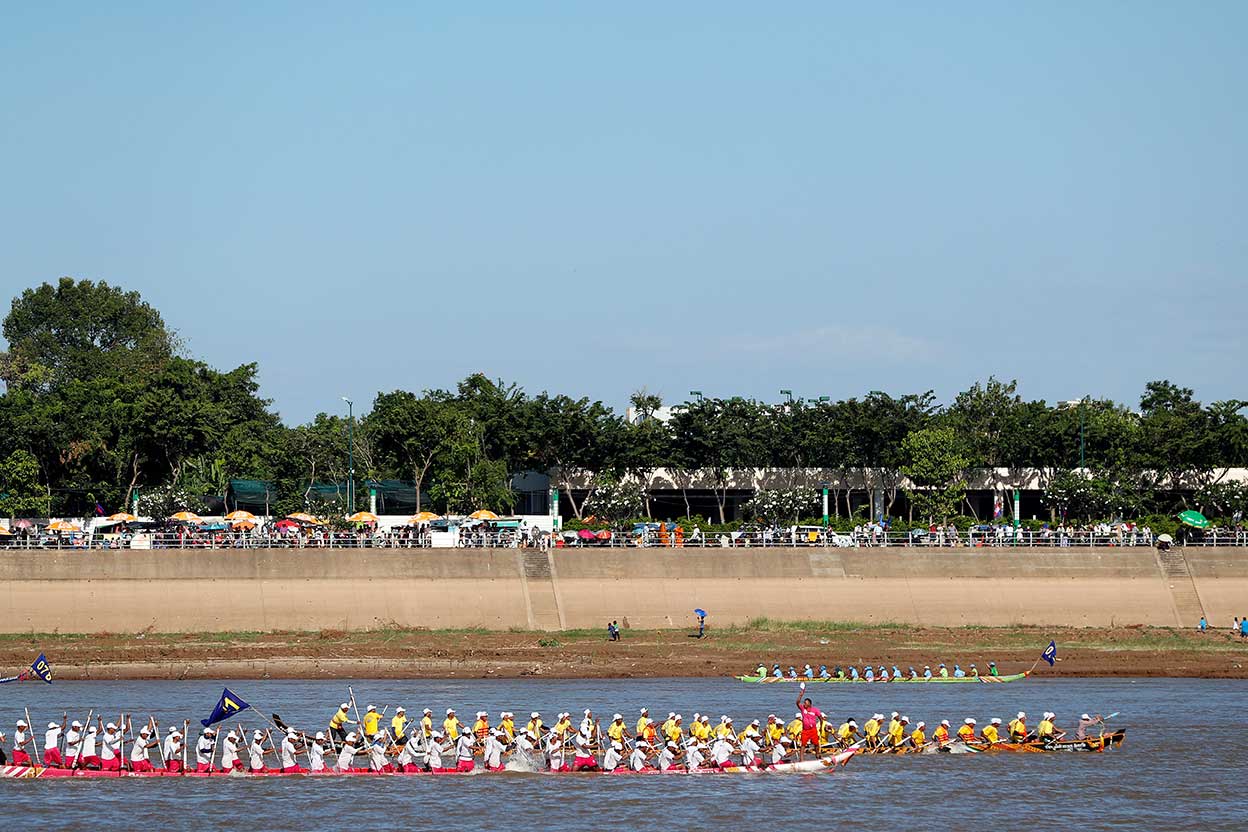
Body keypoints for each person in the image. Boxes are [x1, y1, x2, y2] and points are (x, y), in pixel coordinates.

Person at [794, 683, 823, 753]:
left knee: (816, 743)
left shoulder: (815, 710)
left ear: (809, 704)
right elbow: (797, 702)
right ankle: (801, 760)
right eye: (804, 703)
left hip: (813, 729)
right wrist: (801, 695)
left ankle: (818, 754)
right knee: (803, 744)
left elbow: (820, 718)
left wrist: (821, 727)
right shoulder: (803, 709)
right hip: (805, 730)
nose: (804, 704)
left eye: (805, 703)